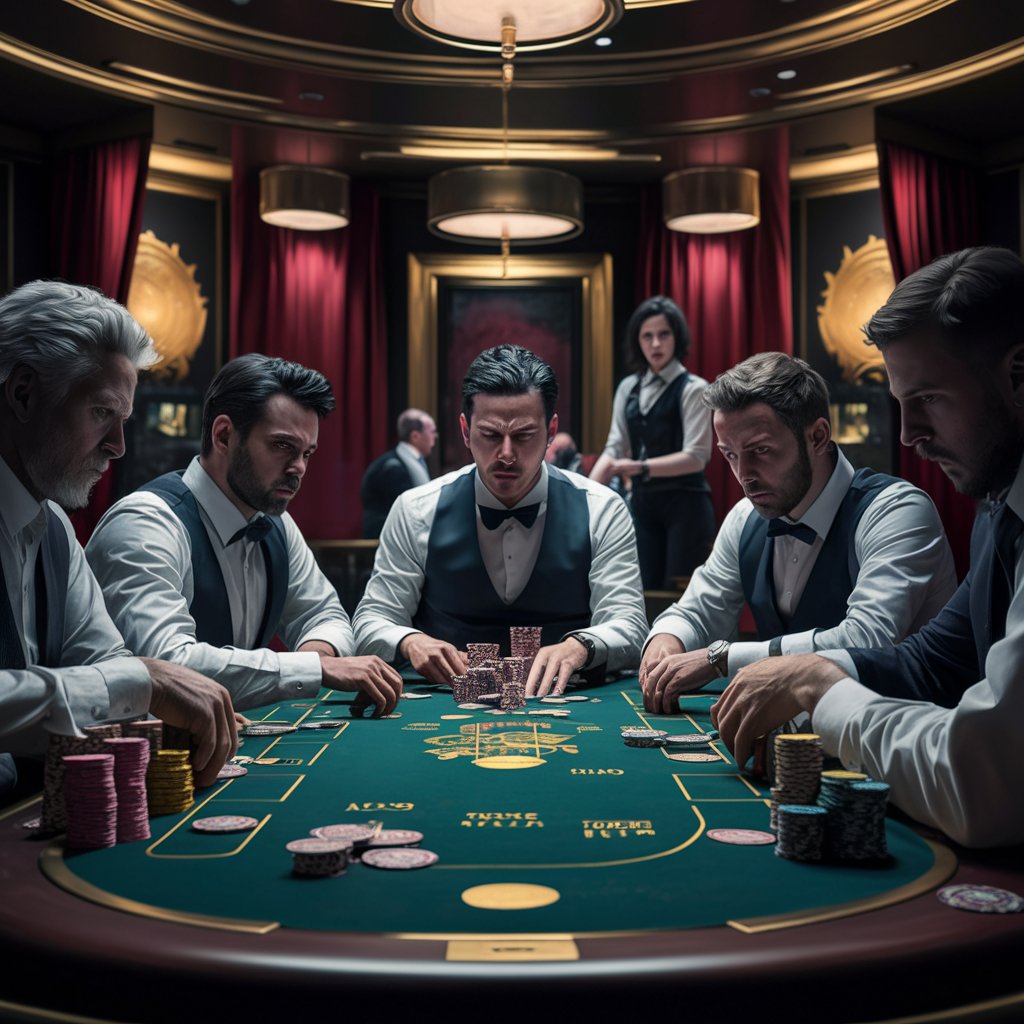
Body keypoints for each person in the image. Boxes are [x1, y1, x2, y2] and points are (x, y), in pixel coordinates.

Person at [712, 246, 1024, 848]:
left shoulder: (898, 507)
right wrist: (814, 668)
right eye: (901, 405)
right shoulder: (998, 508)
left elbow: (986, 784)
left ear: (1017, 375)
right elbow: (933, 659)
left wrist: (819, 691)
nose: (908, 435)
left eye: (928, 399)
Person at [0, 280, 236, 791]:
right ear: (23, 393)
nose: (118, 446)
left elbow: (105, 661)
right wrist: (141, 681)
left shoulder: (55, 528)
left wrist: (138, 684)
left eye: (122, 419)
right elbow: (125, 679)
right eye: (102, 413)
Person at [641, 351, 957, 716]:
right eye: (730, 455)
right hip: (801, 739)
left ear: (818, 436)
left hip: (909, 740)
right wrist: (669, 638)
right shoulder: (745, 517)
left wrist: (722, 658)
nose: (744, 474)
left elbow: (866, 640)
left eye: (761, 450)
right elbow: (697, 611)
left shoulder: (898, 511)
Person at [86, 354, 403, 717]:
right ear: (224, 435)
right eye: (282, 445)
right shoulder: (145, 523)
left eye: (307, 453)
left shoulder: (276, 523)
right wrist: (314, 669)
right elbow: (168, 666)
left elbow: (324, 614)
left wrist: (319, 655)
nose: (298, 467)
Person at [353, 344, 648, 696]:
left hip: (570, 702)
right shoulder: (414, 509)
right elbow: (371, 622)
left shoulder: (603, 508)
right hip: (444, 707)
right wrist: (410, 640)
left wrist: (581, 646)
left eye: (523, 436)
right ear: (465, 430)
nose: (506, 454)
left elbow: (630, 625)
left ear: (551, 430)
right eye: (491, 435)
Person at [590, 296, 715, 589]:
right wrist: (587, 496)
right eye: (647, 336)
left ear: (677, 338)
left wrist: (641, 467)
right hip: (643, 505)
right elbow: (614, 446)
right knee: (640, 592)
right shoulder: (628, 387)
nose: (655, 344)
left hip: (686, 506)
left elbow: (697, 456)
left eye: (664, 334)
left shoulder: (694, 388)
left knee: (679, 598)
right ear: (638, 341)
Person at [360, 408, 437, 538]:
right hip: (386, 541)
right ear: (415, 436)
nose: (435, 436)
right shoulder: (391, 468)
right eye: (432, 432)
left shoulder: (409, 462)